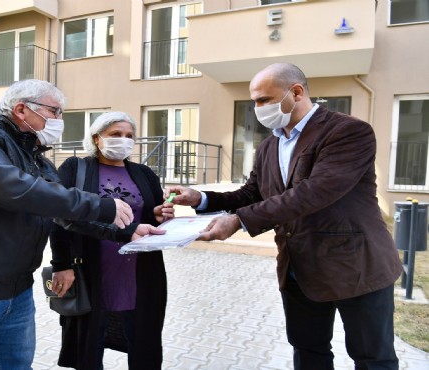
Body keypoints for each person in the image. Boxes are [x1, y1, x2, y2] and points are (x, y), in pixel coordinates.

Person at [167, 63, 402, 369]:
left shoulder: (347, 132)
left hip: (356, 266)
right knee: (308, 352)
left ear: (296, 91)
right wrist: (202, 198)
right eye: (254, 101)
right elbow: (252, 194)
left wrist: (239, 221)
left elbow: (314, 192)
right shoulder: (269, 146)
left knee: (372, 358)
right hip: (299, 268)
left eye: (264, 100)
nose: (257, 108)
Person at [0, 80, 137, 370]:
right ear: (21, 109)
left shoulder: (38, 161)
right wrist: (102, 205)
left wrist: (126, 232)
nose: (60, 121)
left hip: (18, 292)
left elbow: (65, 216)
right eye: (56, 112)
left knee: (17, 367)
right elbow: (18, 190)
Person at [49, 111, 174, 370]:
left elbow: (152, 216)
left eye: (129, 136)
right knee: (88, 344)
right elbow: (58, 218)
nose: (123, 140)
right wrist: (62, 265)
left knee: (144, 342)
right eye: (115, 134)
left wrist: (162, 215)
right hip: (90, 269)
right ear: (97, 138)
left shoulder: (144, 173)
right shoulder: (75, 169)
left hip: (140, 271)